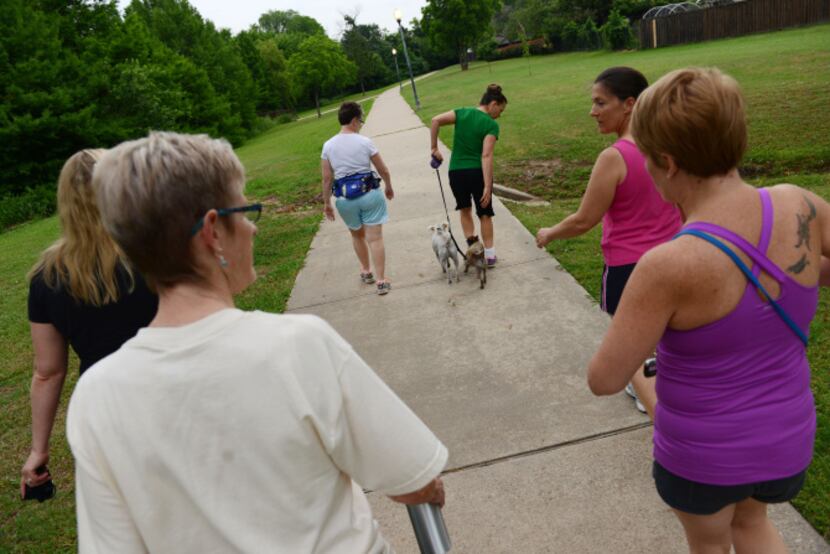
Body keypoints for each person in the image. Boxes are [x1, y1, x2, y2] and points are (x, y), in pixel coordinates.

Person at [68, 131, 447, 552]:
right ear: (212, 231)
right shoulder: (299, 346)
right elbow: (415, 481)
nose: (250, 227)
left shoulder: (96, 397)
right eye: (245, 210)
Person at [587, 67, 826, 553]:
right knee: (753, 524)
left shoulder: (669, 264)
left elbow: (605, 378)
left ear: (668, 163)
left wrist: (654, 401)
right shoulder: (799, 205)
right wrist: (802, 275)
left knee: (710, 544)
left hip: (702, 459)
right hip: (786, 442)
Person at [535, 67, 682, 416]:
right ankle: (675, 390)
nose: (593, 111)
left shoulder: (614, 157)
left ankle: (658, 411)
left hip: (629, 268)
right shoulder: (668, 148)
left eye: (601, 103)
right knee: (667, 335)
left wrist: (549, 233)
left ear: (629, 104)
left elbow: (585, 220)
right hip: (674, 258)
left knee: (633, 349)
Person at [20, 149, 157, 498]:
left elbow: (48, 372)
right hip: (166, 392)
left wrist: (39, 449)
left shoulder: (46, 277)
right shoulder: (156, 249)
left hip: (101, 410)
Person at [430, 83, 507, 267]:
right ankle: (489, 255)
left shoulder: (461, 113)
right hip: (477, 173)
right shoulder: (491, 124)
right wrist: (488, 185)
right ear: (493, 104)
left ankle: (473, 250)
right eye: (501, 110)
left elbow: (435, 120)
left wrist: (434, 147)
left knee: (465, 209)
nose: (500, 114)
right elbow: (486, 155)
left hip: (456, 172)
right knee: (485, 214)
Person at [322, 101, 395, 295]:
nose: (361, 124)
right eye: (360, 121)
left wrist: (326, 203)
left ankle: (366, 271)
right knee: (375, 238)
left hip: (345, 200)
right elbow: (382, 169)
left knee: (357, 235)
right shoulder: (364, 142)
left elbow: (327, 178)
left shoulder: (328, 146)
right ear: (354, 120)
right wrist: (388, 185)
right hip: (369, 194)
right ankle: (381, 281)